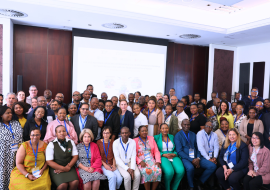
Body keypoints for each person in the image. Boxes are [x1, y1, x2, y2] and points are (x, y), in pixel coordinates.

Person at [175, 119, 217, 190]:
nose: (186, 126)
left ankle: (199, 182)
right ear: (181, 125)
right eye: (185, 124)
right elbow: (179, 151)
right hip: (186, 158)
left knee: (212, 166)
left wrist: (198, 158)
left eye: (188, 124)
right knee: (190, 168)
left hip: (197, 157)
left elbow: (198, 148)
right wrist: (192, 160)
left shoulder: (193, 134)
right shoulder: (177, 136)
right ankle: (191, 186)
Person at [46, 125, 79, 189]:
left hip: (69, 166)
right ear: (56, 133)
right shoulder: (51, 144)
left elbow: (75, 156)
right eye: (59, 131)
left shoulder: (71, 142)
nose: (62, 133)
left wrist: (68, 167)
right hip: (56, 168)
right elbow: (49, 162)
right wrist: (63, 169)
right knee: (62, 185)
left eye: (64, 131)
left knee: (75, 182)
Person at [154, 123, 185, 190]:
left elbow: (178, 147)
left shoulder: (172, 137)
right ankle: (167, 187)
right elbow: (155, 150)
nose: (165, 130)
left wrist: (175, 154)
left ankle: (174, 187)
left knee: (181, 170)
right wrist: (162, 154)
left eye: (166, 128)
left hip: (173, 154)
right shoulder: (156, 137)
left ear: (168, 129)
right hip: (162, 156)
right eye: (163, 128)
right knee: (169, 172)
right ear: (160, 129)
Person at [0, 106, 23, 189]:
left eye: (11, 113)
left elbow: (21, 137)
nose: (10, 114)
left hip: (17, 152)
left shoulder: (15, 123)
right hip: (3, 154)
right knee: (4, 172)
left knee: (16, 171)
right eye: (8, 113)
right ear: (1, 115)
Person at [134, 126, 162, 190]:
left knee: (158, 171)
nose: (144, 132)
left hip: (151, 159)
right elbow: (133, 154)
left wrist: (157, 161)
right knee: (146, 171)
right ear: (139, 132)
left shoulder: (151, 139)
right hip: (141, 161)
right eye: (142, 131)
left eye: (146, 131)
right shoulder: (135, 141)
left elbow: (156, 151)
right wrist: (140, 161)